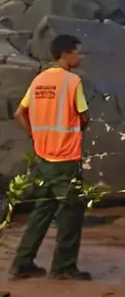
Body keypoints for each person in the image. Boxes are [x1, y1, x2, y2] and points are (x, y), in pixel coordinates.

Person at [8, 34, 91, 281]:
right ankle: (64, 266)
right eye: (78, 52)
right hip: (65, 157)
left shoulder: (39, 80)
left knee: (42, 210)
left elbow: (19, 113)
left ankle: (22, 261)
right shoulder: (72, 81)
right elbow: (84, 116)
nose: (80, 56)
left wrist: (36, 135)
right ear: (65, 54)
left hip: (44, 156)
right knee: (71, 211)